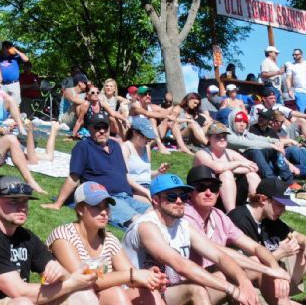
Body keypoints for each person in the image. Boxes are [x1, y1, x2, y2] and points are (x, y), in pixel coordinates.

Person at [0, 177, 98, 305]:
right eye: (14, 201)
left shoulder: (26, 237)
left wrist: (62, 273)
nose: (22, 207)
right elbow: (19, 292)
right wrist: (72, 283)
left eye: (25, 201)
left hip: (15, 300)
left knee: (83, 295)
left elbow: (60, 276)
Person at [122, 174, 262, 305]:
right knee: (196, 290)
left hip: (170, 291)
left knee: (243, 281)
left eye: (182, 196)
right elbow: (180, 265)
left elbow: (219, 256)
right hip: (140, 293)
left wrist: (243, 282)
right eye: (171, 197)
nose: (179, 201)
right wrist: (231, 289)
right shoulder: (146, 226)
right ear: (156, 200)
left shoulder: (183, 225)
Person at [228, 178, 306, 305]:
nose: (284, 210)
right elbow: (247, 267)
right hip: (246, 287)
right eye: (280, 205)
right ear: (263, 199)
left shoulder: (269, 219)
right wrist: (279, 253)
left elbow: (299, 237)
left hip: (274, 280)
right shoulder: (238, 219)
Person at [181, 166, 294, 304]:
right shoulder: (184, 214)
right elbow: (216, 250)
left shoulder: (219, 216)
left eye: (214, 187)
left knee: (259, 263)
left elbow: (255, 247)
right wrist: (251, 277)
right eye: (201, 187)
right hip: (187, 285)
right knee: (254, 268)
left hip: (213, 278)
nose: (208, 192)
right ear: (189, 192)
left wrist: (275, 268)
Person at [46, 182, 168, 305]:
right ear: (80, 209)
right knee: (116, 294)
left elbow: (131, 276)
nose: (104, 212)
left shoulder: (109, 239)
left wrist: (150, 277)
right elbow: (82, 280)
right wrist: (133, 274)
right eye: (97, 207)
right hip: (69, 297)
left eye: (106, 206)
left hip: (98, 296)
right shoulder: (64, 236)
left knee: (149, 293)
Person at [43, 112, 151, 228]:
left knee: (154, 212)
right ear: (89, 129)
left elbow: (123, 175)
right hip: (107, 199)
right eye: (97, 127)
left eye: (105, 127)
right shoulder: (83, 147)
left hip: (127, 197)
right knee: (138, 221)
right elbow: (74, 177)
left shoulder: (115, 146)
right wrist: (58, 204)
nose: (102, 131)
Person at [192, 122, 260, 211]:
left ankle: (257, 211)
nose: (222, 139)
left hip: (229, 193)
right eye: (218, 136)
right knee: (226, 174)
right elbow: (218, 168)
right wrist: (239, 163)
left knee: (252, 175)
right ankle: (232, 214)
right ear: (209, 138)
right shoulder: (202, 154)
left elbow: (254, 167)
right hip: (207, 193)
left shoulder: (229, 152)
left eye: (224, 136)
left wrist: (232, 168)